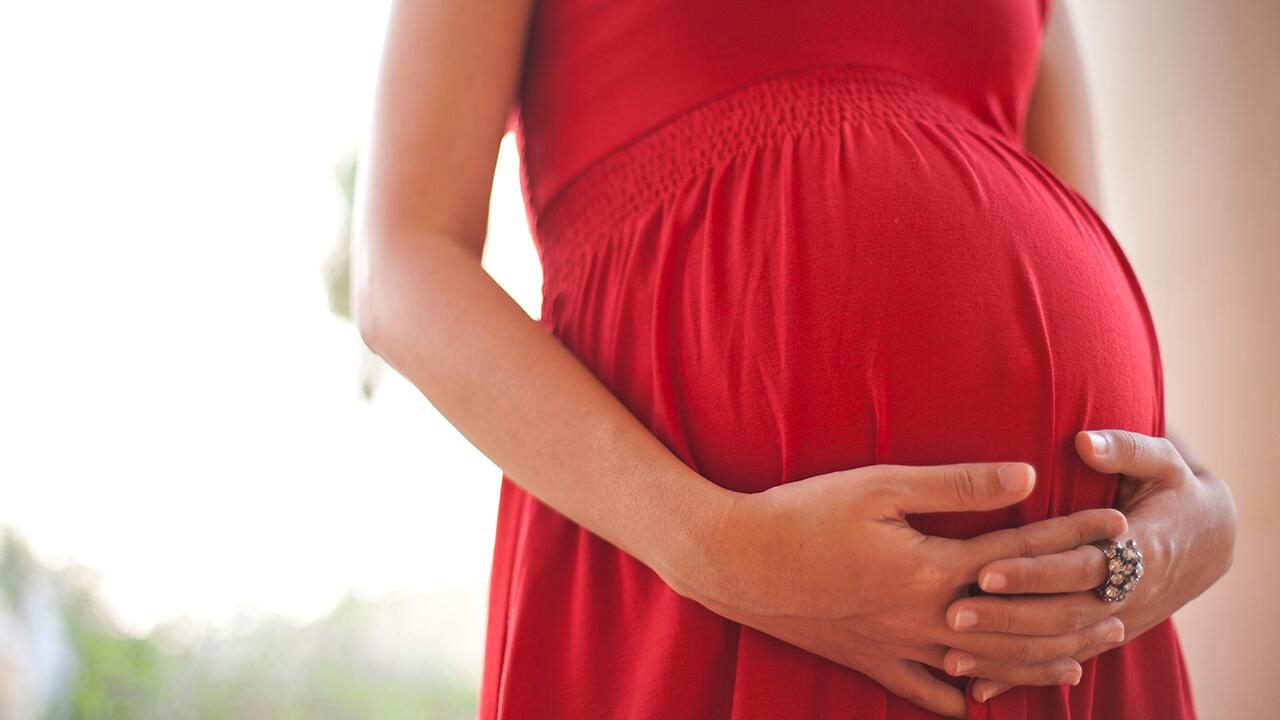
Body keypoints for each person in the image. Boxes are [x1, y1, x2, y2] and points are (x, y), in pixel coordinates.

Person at [352, 0, 1238, 717]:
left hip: (1058, 646)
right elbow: (405, 262)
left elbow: (1066, 247)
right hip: (705, 595)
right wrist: (715, 548)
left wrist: (1195, 509)